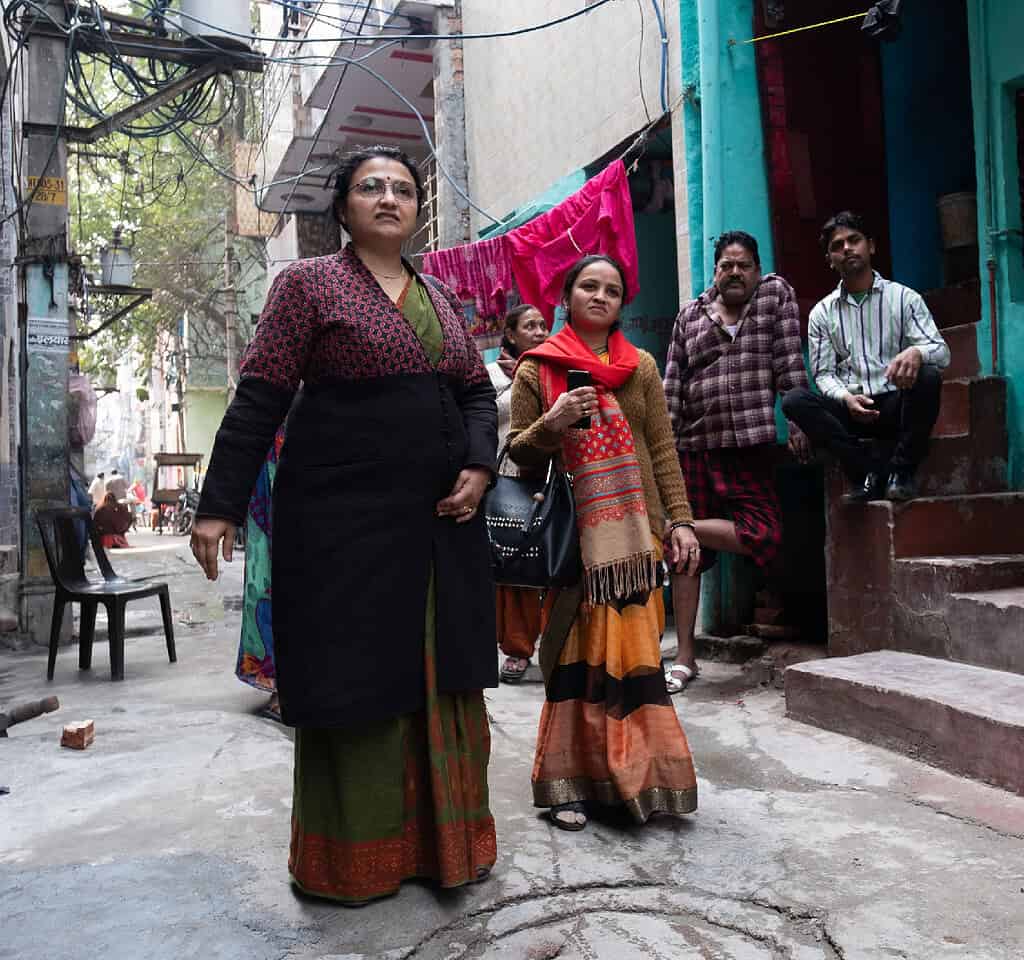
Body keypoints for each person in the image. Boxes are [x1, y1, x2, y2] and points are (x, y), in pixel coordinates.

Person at [190, 145, 499, 904]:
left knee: (443, 676)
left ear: (418, 209)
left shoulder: (441, 299)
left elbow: (476, 395)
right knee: (359, 683)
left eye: (402, 188)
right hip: (344, 531)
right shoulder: (308, 284)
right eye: (371, 187)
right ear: (343, 209)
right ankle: (356, 863)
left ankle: (445, 849)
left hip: (439, 534)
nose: (389, 198)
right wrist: (219, 504)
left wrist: (480, 466)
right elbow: (262, 394)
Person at [509, 254, 700, 831]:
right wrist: (557, 419)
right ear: (565, 298)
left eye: (612, 290)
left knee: (635, 664)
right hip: (575, 547)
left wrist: (682, 521)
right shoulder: (534, 370)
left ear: (622, 303)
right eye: (588, 286)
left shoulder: (639, 366)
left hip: (636, 545)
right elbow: (518, 453)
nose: (600, 296)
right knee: (574, 664)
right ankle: (567, 787)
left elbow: (662, 450)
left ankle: (641, 781)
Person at [662, 231, 810, 694]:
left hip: (749, 445)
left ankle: (676, 525)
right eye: (727, 265)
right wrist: (664, 451)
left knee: (765, 534)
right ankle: (686, 656)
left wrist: (799, 418)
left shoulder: (775, 297)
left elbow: (789, 363)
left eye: (743, 265)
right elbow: (672, 385)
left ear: (756, 268)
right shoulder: (690, 315)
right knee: (685, 560)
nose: (735, 273)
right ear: (715, 271)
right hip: (695, 446)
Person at [782, 211, 950, 502]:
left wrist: (916, 352)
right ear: (830, 260)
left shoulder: (904, 298)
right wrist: (846, 398)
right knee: (794, 400)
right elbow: (822, 373)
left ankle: (902, 472)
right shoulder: (822, 313)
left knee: (928, 376)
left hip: (896, 404)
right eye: (837, 246)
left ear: (870, 246)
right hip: (851, 409)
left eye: (854, 240)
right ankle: (865, 472)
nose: (846, 248)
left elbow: (942, 352)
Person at [487, 303, 551, 684]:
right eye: (530, 325)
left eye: (544, 325)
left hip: (549, 478)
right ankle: (516, 647)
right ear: (510, 334)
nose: (540, 331)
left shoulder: (555, 366)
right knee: (514, 562)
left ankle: (556, 644)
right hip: (509, 477)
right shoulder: (492, 375)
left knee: (553, 559)